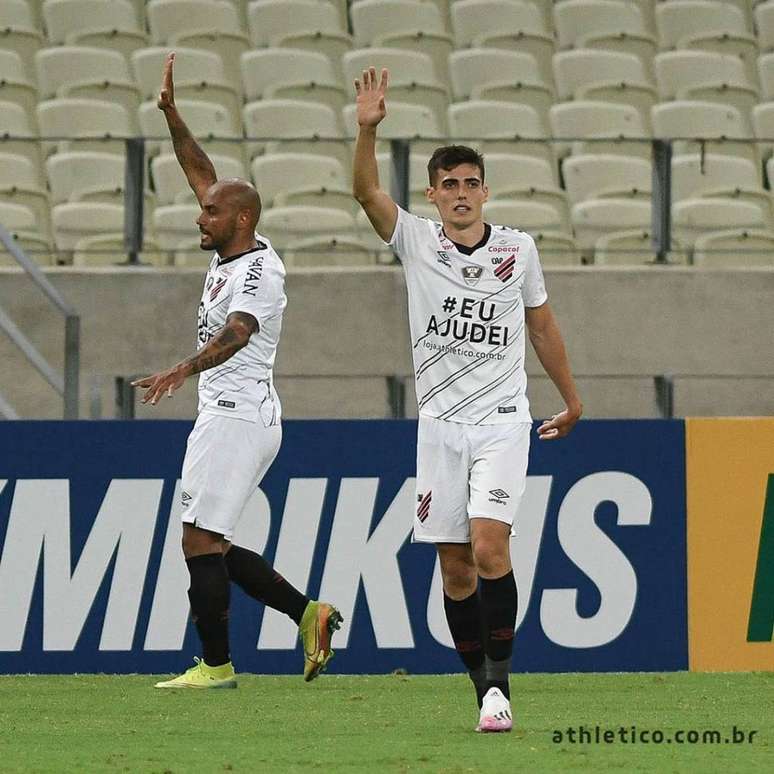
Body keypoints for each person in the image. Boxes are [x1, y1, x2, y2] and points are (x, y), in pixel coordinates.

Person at [352, 67, 582, 732]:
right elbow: (366, 191)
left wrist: (571, 399)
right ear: (433, 194)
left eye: (470, 183)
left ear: (485, 191)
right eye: (448, 184)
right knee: (454, 570)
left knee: (488, 549)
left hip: (504, 422)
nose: (460, 194)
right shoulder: (418, 243)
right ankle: (481, 687)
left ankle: (502, 686)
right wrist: (368, 129)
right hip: (440, 428)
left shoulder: (518, 249)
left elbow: (541, 323)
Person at [133, 52, 342, 689]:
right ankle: (309, 614)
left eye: (211, 213)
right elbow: (202, 174)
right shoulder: (232, 241)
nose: (201, 215)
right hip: (227, 414)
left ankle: (218, 666)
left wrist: (182, 368)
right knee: (210, 543)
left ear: (241, 220)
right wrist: (173, 116)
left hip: (238, 415)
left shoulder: (259, 272)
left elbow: (237, 333)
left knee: (199, 541)